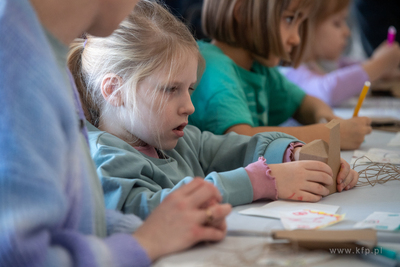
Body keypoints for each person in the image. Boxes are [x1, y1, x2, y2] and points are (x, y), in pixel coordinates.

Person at [67, 0, 359, 221]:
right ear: (114, 91)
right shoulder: (104, 161)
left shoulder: (180, 141)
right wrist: (259, 181)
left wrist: (295, 154)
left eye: (190, 89)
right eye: (171, 89)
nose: (189, 106)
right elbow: (152, 210)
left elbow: (237, 146)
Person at [0, 0, 232, 266]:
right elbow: (20, 257)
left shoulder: (42, 52)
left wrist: (144, 230)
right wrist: (144, 243)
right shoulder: (14, 67)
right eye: (171, 89)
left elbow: (73, 220)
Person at [188, 0, 372, 150]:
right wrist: (328, 135)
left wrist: (326, 118)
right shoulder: (213, 68)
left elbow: (304, 103)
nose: (296, 38)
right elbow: (240, 139)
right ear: (242, 12)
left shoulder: (258, 67)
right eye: (290, 19)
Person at [281, 0, 400, 107]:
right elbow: (328, 92)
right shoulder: (291, 71)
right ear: (307, 26)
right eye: (337, 23)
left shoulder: (322, 64)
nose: (347, 32)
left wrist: (383, 70)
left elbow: (350, 68)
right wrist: (379, 64)